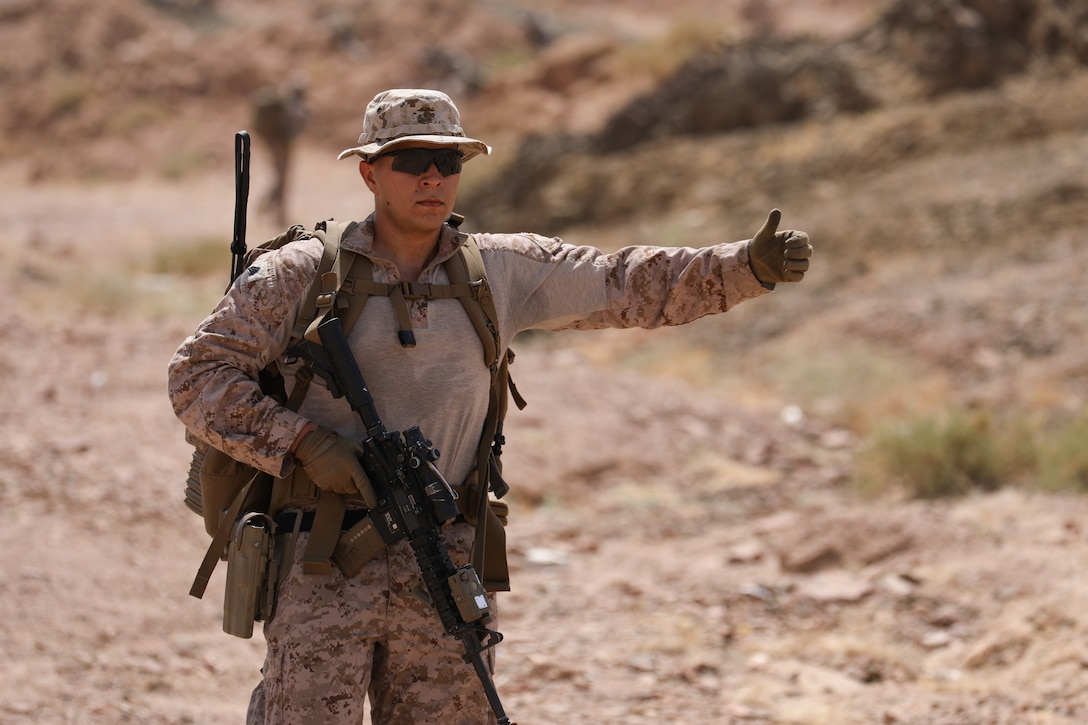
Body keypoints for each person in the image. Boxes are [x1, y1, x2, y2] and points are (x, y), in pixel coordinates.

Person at [168, 88, 812, 724]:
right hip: (322, 556)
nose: (432, 177)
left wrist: (744, 268)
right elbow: (197, 376)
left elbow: (623, 282)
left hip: (443, 556)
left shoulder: (499, 272)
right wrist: (304, 443)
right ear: (369, 171)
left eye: (447, 163)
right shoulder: (300, 273)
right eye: (411, 159)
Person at [251, 81, 308, 226]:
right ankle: (271, 211)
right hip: (283, 146)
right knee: (281, 179)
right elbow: (297, 129)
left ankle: (269, 209)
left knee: (279, 177)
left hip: (275, 144)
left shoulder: (284, 106)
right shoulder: (296, 108)